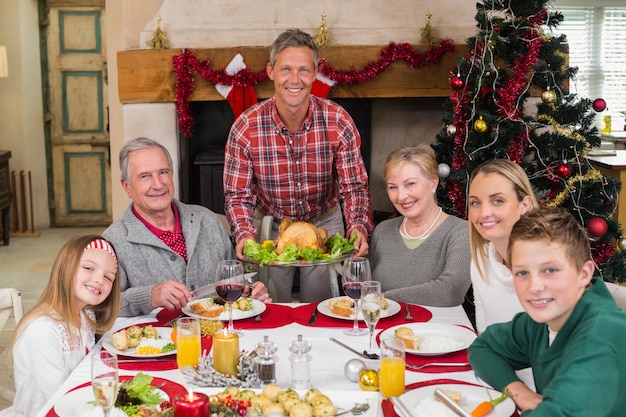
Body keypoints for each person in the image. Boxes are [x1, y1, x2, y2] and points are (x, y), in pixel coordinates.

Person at [224, 28, 374, 303]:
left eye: (304, 70)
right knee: (271, 306)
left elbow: (354, 187)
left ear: (315, 72)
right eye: (286, 69)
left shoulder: (338, 121)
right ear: (270, 71)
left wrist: (358, 226)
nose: (295, 80)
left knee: (319, 306)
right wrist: (244, 234)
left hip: (323, 224)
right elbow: (238, 195)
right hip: (271, 228)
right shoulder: (245, 127)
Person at [468, 207, 626, 415]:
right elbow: (484, 347)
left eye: (550, 270)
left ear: (584, 274)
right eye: (522, 272)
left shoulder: (601, 340)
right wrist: (521, 393)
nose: (534, 286)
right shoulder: (543, 320)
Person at [103, 137, 270, 316]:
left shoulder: (207, 220)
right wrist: (148, 297)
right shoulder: (112, 241)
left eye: (163, 172)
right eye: (145, 176)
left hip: (220, 336)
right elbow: (101, 308)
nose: (158, 184)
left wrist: (251, 292)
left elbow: (236, 279)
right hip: (158, 341)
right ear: (126, 187)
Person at [7, 235, 120, 416]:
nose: (99, 279)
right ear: (66, 267)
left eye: (108, 277)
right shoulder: (42, 330)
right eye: (88, 268)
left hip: (80, 403)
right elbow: (61, 397)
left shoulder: (86, 316)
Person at [368, 145, 470, 305]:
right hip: (381, 327)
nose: (401, 196)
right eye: (393, 187)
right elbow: (364, 286)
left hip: (436, 328)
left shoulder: (460, 232)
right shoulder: (382, 231)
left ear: (433, 183)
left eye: (410, 184)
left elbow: (451, 291)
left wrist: (384, 298)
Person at [467, 159, 539, 333]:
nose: (484, 213)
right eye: (475, 203)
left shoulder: (548, 265)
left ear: (524, 205)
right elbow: (485, 336)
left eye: (498, 201)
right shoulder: (481, 260)